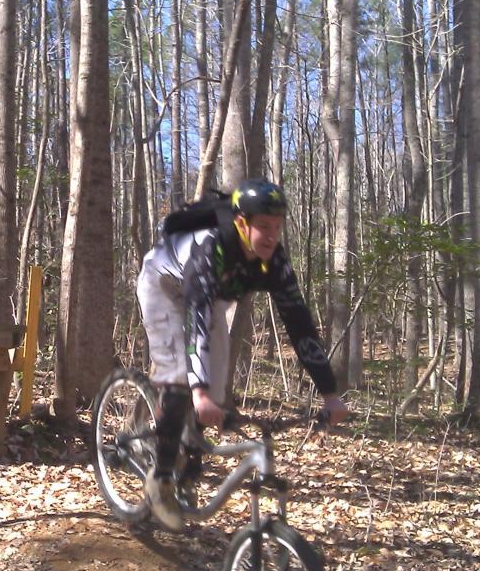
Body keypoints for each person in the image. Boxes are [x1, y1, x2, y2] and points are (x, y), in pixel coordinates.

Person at [136, 178, 349, 531]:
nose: (271, 236)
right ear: (240, 223)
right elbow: (196, 319)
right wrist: (198, 391)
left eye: (277, 228)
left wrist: (329, 393)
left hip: (207, 297)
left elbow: (299, 324)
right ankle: (159, 481)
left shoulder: (274, 260)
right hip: (164, 283)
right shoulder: (210, 248)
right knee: (181, 378)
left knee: (216, 391)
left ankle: (188, 463)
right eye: (263, 227)